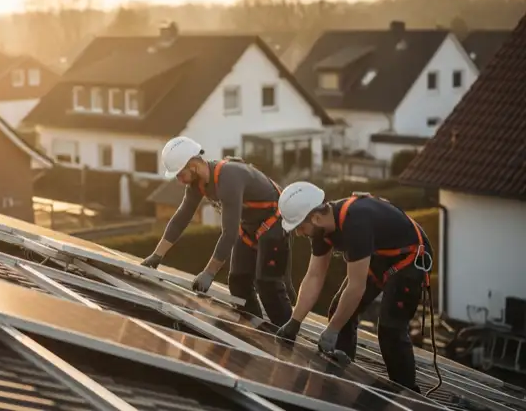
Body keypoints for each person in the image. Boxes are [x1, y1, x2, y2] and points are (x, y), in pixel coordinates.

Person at [274, 181, 431, 393]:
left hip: (410, 259)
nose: (300, 233)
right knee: (339, 310)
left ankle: (406, 394)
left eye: (300, 227)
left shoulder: (356, 223)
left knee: (390, 329)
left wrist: (332, 331)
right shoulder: (322, 230)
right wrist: (295, 322)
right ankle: (340, 373)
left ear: (316, 217)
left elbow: (356, 288)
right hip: (381, 255)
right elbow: (314, 276)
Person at [139, 136, 293, 326]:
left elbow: (229, 233)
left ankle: (286, 336)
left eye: (180, 174)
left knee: (267, 284)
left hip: (275, 223)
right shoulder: (197, 185)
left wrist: (209, 273)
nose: (179, 180)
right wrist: (157, 256)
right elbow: (181, 219)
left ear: (193, 166)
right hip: (250, 227)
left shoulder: (229, 177)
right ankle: (257, 330)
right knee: (238, 282)